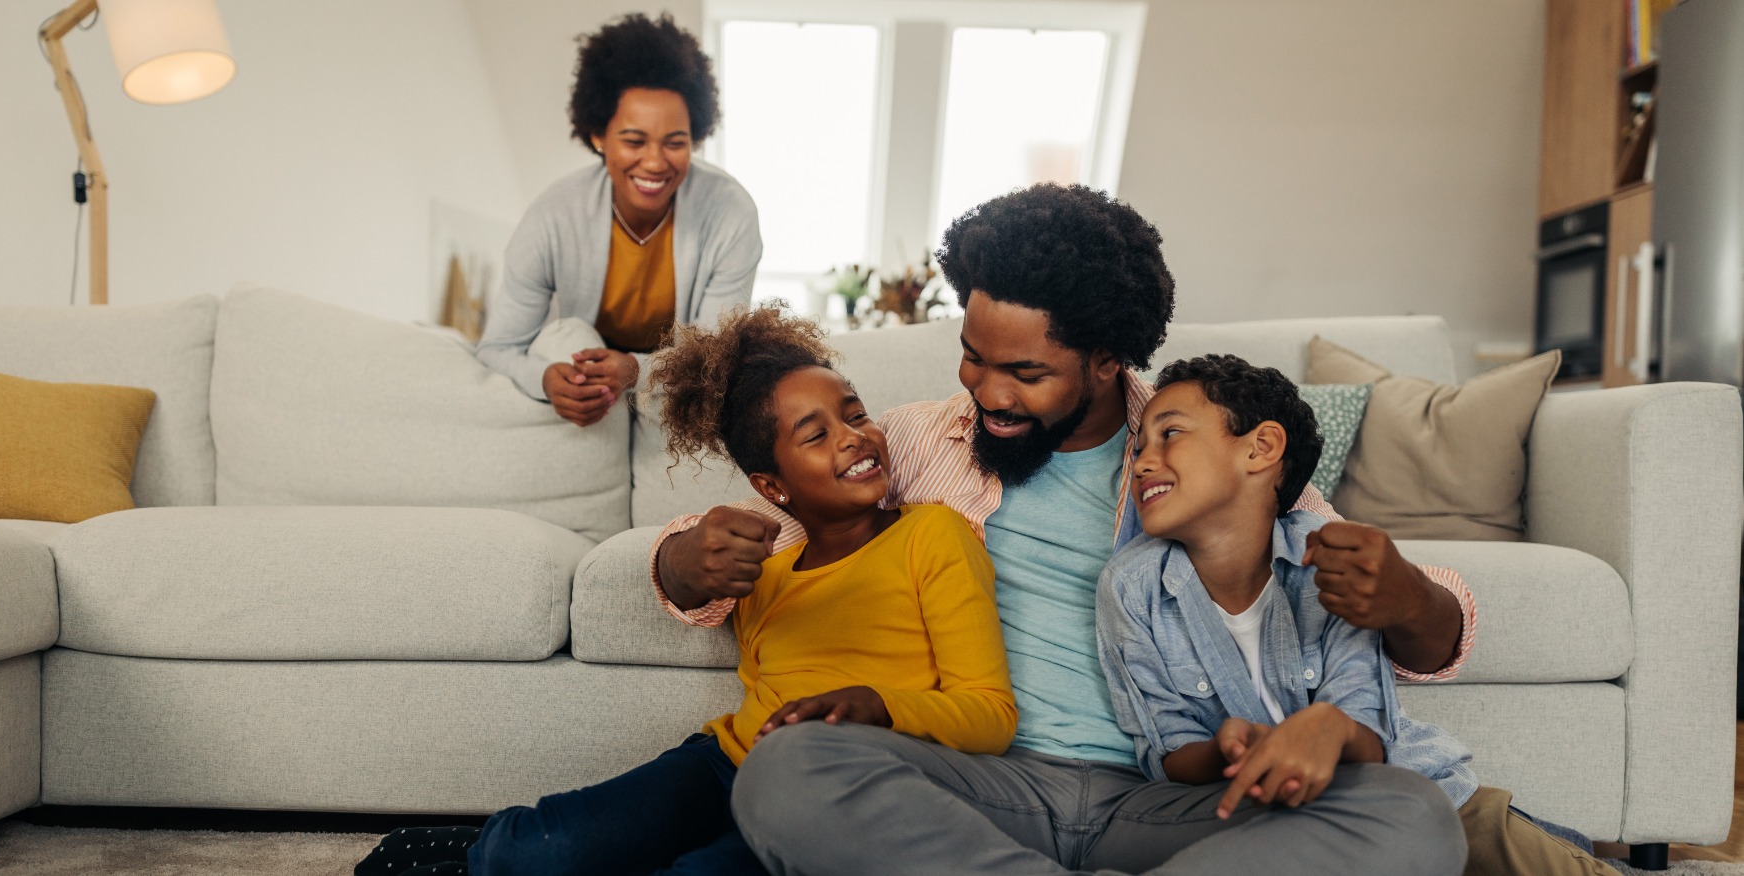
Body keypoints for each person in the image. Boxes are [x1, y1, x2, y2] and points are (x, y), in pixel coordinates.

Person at [648, 184, 1480, 875]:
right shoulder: (915, 441)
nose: (987, 391)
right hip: (974, 792)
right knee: (785, 770)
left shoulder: (1194, 458)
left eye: (1026, 373)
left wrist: (1403, 594)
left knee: (1408, 815)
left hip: (1168, 804)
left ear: (1108, 361)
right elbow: (754, 531)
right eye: (974, 355)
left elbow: (1423, 626)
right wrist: (689, 559)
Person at [356, 307, 1015, 876]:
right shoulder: (764, 565)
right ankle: (482, 856)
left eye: (855, 414)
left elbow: (990, 715)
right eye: (816, 435)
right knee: (540, 851)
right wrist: (683, 557)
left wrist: (877, 704)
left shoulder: (932, 532)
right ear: (774, 486)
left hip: (834, 789)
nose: (853, 437)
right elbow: (684, 571)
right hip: (724, 761)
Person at [1097, 353, 1617, 876]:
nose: (1140, 462)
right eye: (1139, 446)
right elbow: (1166, 746)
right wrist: (1224, 752)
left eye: (1170, 435)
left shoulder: (1330, 566)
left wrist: (1329, 728)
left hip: (1416, 793)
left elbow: (1368, 733)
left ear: (1261, 448)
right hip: (1259, 823)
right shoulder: (1131, 586)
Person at [476, 12, 762, 427]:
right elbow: (496, 348)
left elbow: (714, 358)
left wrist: (635, 370)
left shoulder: (730, 213)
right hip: (585, 365)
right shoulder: (553, 216)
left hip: (678, 386)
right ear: (597, 136)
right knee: (567, 340)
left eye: (675, 143)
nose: (654, 162)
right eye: (634, 140)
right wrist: (543, 380)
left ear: (695, 138)